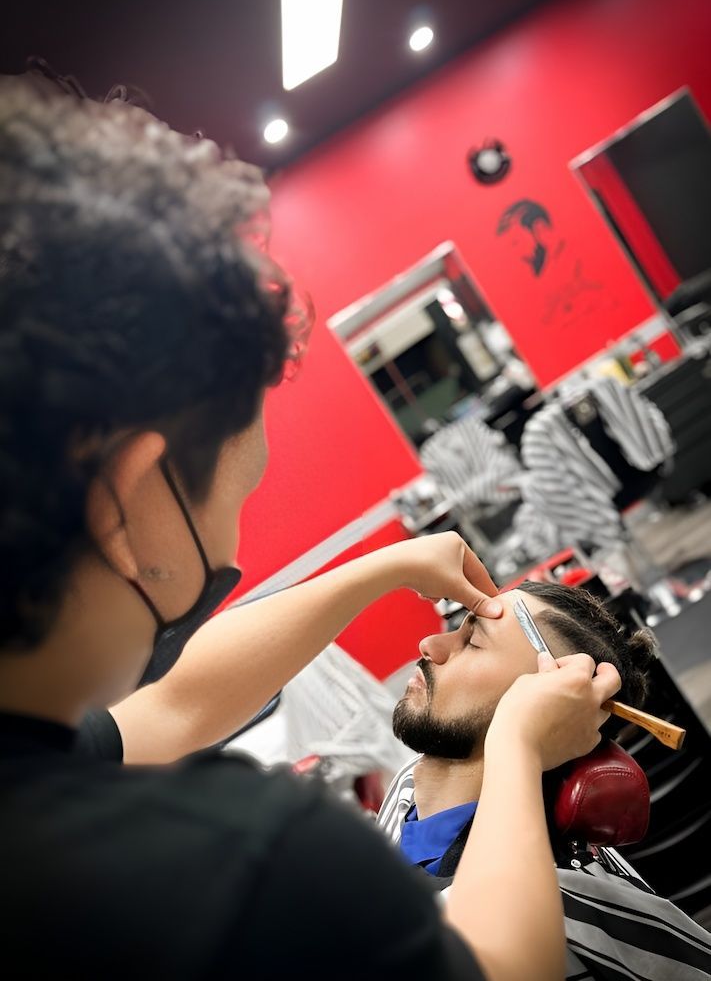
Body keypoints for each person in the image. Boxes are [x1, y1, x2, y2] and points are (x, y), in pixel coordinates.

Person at [0, 70, 622, 980]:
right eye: (238, 500)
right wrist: (519, 737)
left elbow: (172, 707)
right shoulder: (254, 871)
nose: (232, 551)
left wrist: (381, 568)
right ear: (127, 504)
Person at [377, 581, 711, 979]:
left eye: (474, 642)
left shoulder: (556, 911)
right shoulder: (405, 794)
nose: (430, 644)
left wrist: (519, 736)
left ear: (551, 704)